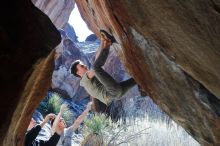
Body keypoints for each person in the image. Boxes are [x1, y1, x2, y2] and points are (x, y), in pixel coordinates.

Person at [70, 30, 138, 105]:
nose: (85, 66)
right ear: (78, 72)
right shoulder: (84, 80)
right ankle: (109, 42)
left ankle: (144, 86)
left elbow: (96, 59)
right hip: (113, 92)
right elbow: (95, 67)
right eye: (82, 66)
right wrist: (105, 44)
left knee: (138, 79)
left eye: (83, 64)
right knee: (96, 67)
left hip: (118, 93)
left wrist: (102, 42)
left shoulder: (88, 79)